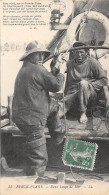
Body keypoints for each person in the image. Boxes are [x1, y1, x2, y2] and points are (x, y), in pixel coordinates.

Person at [12, 40, 65, 177]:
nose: (41, 57)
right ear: (29, 56)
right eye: (37, 55)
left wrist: (55, 63)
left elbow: (47, 78)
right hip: (33, 120)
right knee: (39, 158)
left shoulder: (26, 68)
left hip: (22, 115)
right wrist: (61, 71)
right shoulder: (37, 69)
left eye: (42, 54)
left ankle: (58, 138)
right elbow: (56, 85)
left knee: (53, 105)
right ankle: (34, 180)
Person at [51, 41, 108, 123]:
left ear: (86, 52)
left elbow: (104, 80)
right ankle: (55, 114)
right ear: (74, 53)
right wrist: (55, 59)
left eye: (81, 52)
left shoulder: (92, 62)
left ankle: (83, 113)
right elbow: (54, 73)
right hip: (72, 97)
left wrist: (89, 86)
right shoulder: (69, 63)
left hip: (89, 98)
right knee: (54, 116)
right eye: (77, 52)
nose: (79, 55)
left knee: (83, 84)